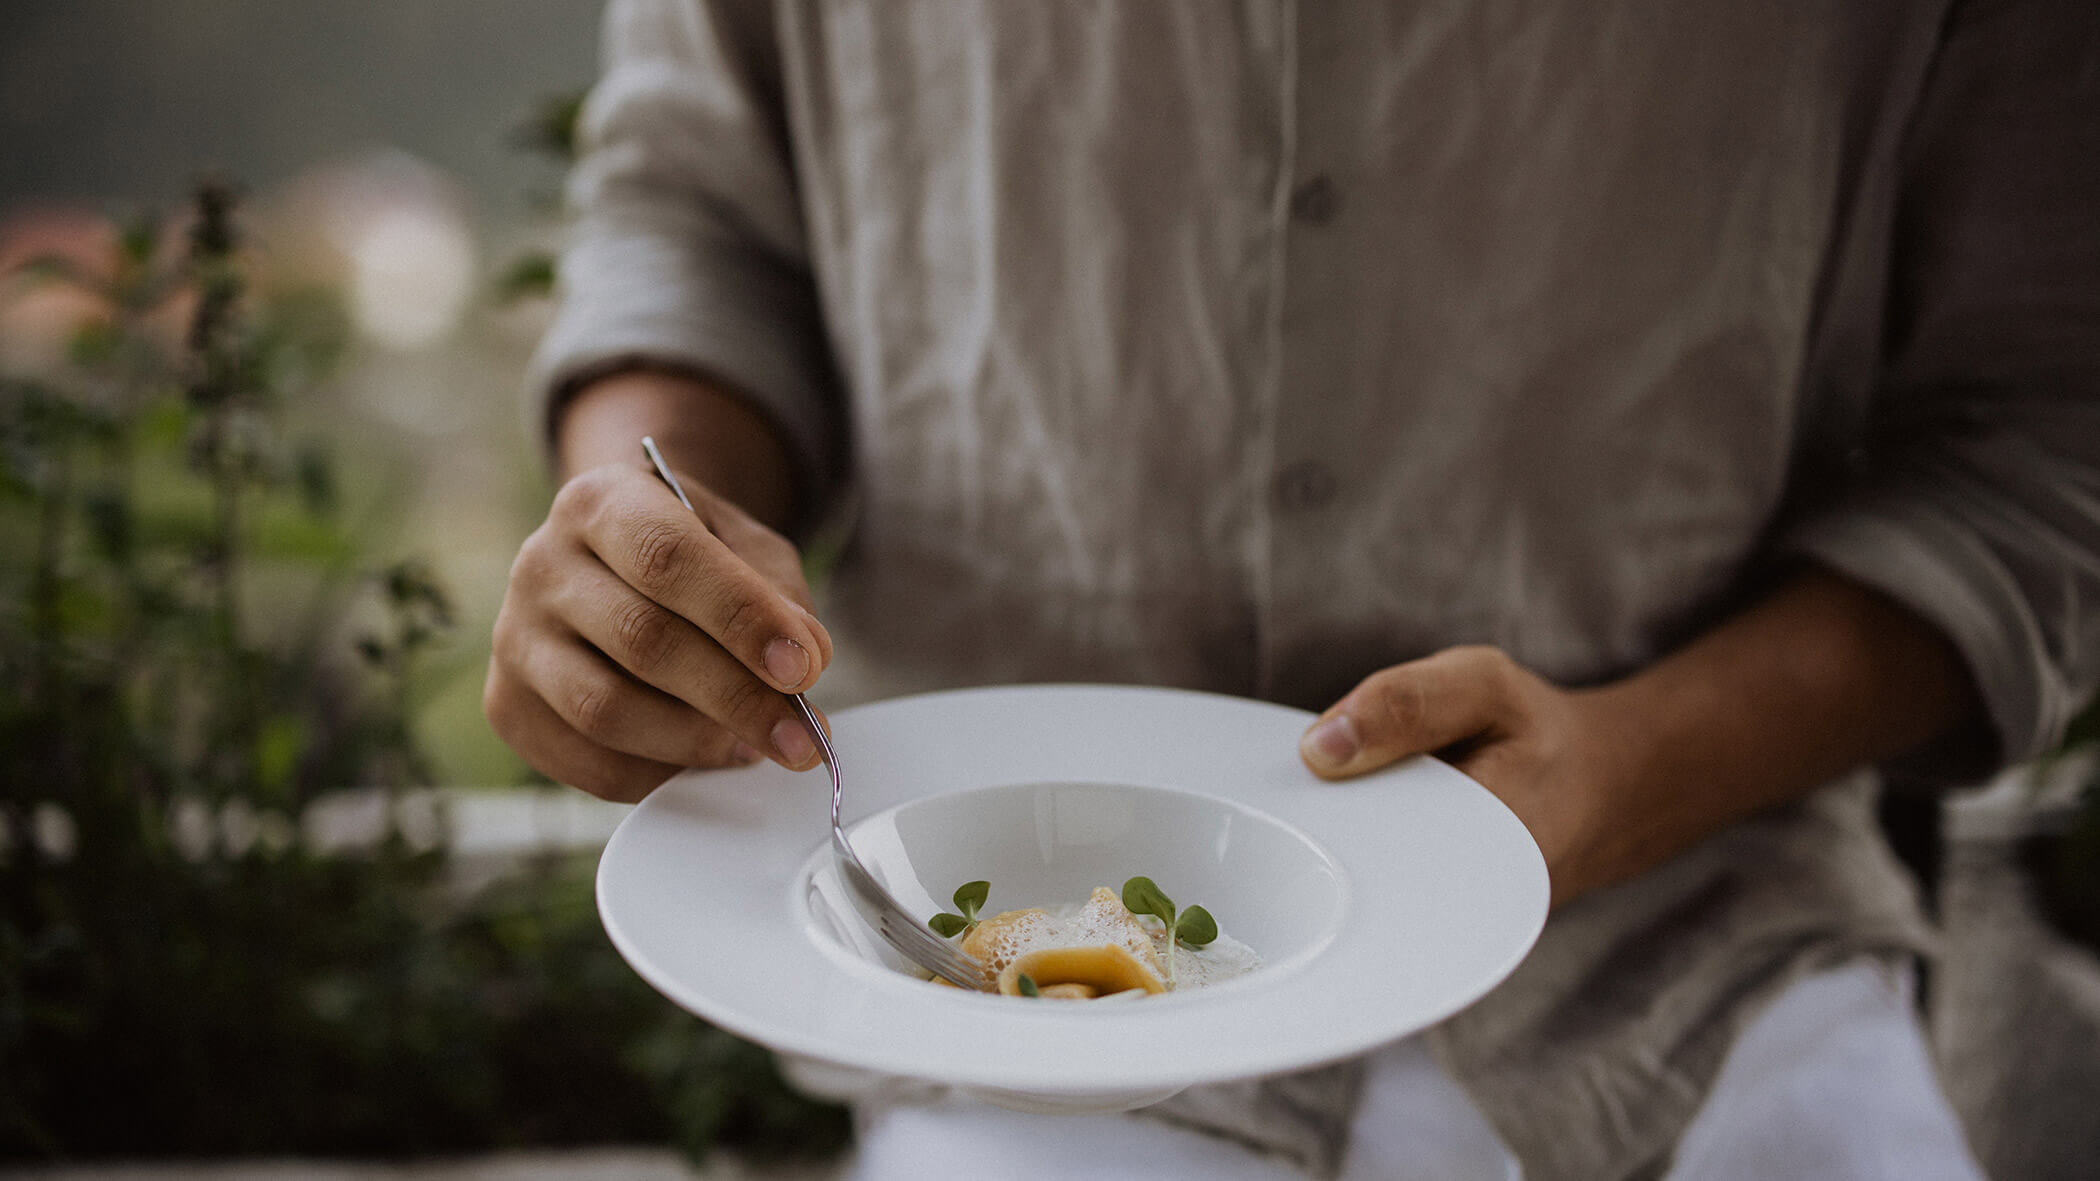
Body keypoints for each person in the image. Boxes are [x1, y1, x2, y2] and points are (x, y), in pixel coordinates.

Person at [484, 1, 2100, 1176]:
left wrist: (1638, 763)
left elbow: (2043, 429)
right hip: (997, 1025)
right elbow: (695, 222)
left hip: (1705, 954)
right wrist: (655, 521)